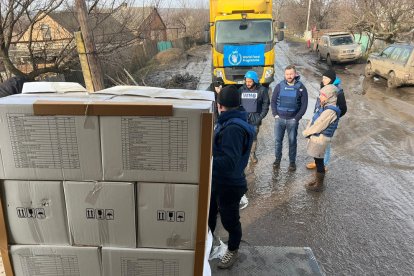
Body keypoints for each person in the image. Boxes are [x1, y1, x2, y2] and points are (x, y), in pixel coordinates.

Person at [208, 85, 255, 269]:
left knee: (229, 220)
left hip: (229, 184)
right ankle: (209, 245)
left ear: (220, 106)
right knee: (209, 216)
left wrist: (204, 162)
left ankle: (233, 249)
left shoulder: (233, 128)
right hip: (216, 181)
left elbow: (229, 162)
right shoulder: (229, 121)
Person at [306, 69, 347, 170]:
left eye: (325, 78)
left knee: (325, 144)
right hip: (320, 116)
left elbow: (343, 108)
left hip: (329, 120)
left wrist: (332, 118)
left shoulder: (338, 91)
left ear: (331, 79)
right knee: (316, 140)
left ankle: (323, 164)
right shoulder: (323, 85)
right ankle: (317, 161)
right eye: (323, 77)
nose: (323, 79)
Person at [302, 84, 341, 191]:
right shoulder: (325, 106)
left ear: (329, 96)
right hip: (318, 138)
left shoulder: (330, 111)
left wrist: (306, 132)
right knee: (317, 160)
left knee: (319, 162)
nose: (320, 97)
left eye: (323, 95)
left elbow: (319, 125)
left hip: (321, 139)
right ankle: (317, 181)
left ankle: (319, 185)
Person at [271, 65, 308, 171]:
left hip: (292, 120)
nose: (289, 76)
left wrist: (296, 118)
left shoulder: (301, 87)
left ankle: (292, 163)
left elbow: (304, 105)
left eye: (291, 74)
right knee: (278, 141)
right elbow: (273, 101)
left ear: (295, 74)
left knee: (292, 142)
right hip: (279, 120)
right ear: (284, 74)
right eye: (287, 74)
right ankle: (277, 160)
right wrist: (275, 115)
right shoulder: (279, 86)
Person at [239, 70, 270, 163]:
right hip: (243, 118)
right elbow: (237, 103)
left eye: (250, 81)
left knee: (253, 137)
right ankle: (242, 154)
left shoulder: (262, 90)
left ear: (255, 81)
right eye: (246, 81)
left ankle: (252, 154)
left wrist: (260, 117)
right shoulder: (241, 90)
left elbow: (266, 104)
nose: (247, 83)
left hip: (255, 118)